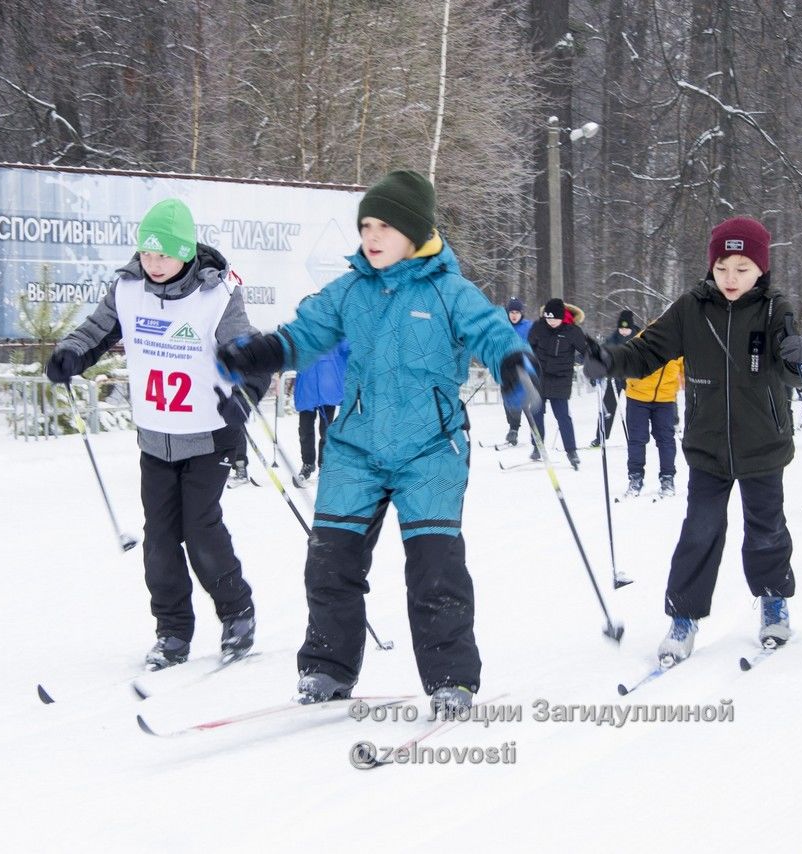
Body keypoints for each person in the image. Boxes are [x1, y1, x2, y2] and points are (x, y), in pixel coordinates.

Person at [215, 169, 536, 715]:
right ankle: (325, 670)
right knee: (329, 562)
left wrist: (510, 361)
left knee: (435, 571)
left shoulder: (450, 291)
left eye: (385, 225)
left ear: (414, 230)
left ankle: (450, 680)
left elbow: (490, 330)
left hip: (430, 450)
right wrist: (262, 353)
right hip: (356, 447)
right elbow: (304, 335)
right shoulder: (350, 291)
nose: (372, 235)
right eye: (366, 224)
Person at [45, 197, 269, 670]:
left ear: (185, 253)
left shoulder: (218, 295)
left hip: (208, 435)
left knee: (200, 530)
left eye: (163, 255)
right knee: (159, 540)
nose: (153, 264)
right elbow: (96, 330)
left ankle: (237, 614)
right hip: (155, 437)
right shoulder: (128, 289)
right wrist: (71, 353)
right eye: (146, 254)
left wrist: (245, 392)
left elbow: (246, 353)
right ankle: (172, 632)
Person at [582, 215, 802, 663]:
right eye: (723, 267)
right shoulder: (691, 307)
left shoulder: (775, 308)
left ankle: (772, 601)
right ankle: (683, 618)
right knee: (700, 531)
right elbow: (647, 350)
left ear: (761, 270)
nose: (731, 278)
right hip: (708, 444)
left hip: (763, 443)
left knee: (766, 529)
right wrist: (607, 360)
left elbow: (795, 371)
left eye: (743, 269)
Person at [527, 298, 589, 467]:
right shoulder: (538, 327)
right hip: (539, 378)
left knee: (562, 416)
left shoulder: (572, 331)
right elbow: (528, 347)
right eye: (548, 318)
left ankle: (571, 451)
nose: (551, 322)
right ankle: (537, 446)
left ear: (562, 317)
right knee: (537, 413)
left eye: (554, 319)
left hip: (561, 379)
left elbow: (586, 351)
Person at [621, 351, 683, 498]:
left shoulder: (679, 347)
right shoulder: (643, 341)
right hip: (637, 396)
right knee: (637, 438)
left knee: (666, 439)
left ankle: (667, 478)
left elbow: (688, 370)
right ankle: (635, 477)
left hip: (665, 398)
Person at [293, 341, 349, 480]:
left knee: (326, 432)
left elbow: (351, 348)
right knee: (305, 431)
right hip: (307, 390)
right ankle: (307, 463)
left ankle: (324, 465)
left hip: (328, 391)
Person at [592, 309, 639, 447]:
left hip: (633, 379)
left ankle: (635, 438)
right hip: (615, 378)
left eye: (626, 329)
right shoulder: (612, 339)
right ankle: (600, 436)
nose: (623, 331)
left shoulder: (639, 338)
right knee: (607, 406)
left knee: (634, 409)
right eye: (621, 328)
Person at [501, 297, 534, 446]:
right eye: (511, 312)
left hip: (523, 368)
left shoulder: (528, 327)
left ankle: (531, 430)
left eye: (517, 312)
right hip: (505, 369)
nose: (514, 315)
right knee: (507, 398)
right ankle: (513, 428)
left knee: (522, 398)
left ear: (522, 313)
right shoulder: (502, 326)